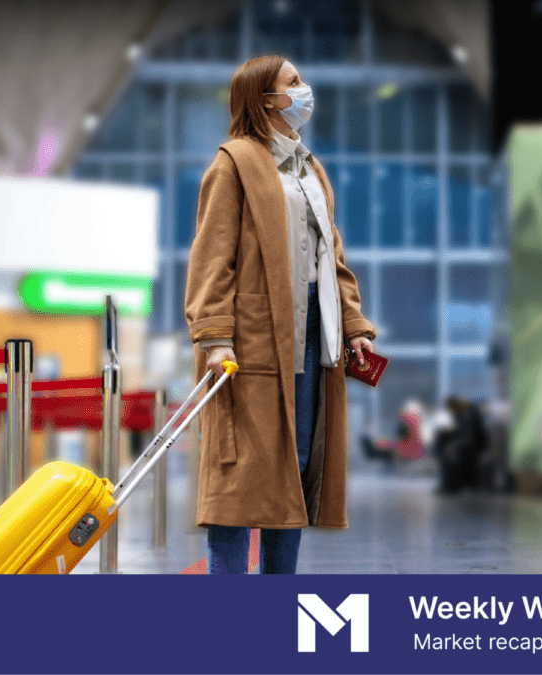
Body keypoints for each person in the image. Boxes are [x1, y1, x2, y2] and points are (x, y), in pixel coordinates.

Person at [185, 54, 376, 574]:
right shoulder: (234, 162)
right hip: (250, 344)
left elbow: (330, 257)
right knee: (242, 477)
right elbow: (211, 257)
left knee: (292, 468)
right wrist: (215, 336)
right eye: (294, 83)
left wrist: (354, 325)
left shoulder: (310, 169)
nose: (305, 89)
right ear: (266, 99)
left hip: (313, 339)